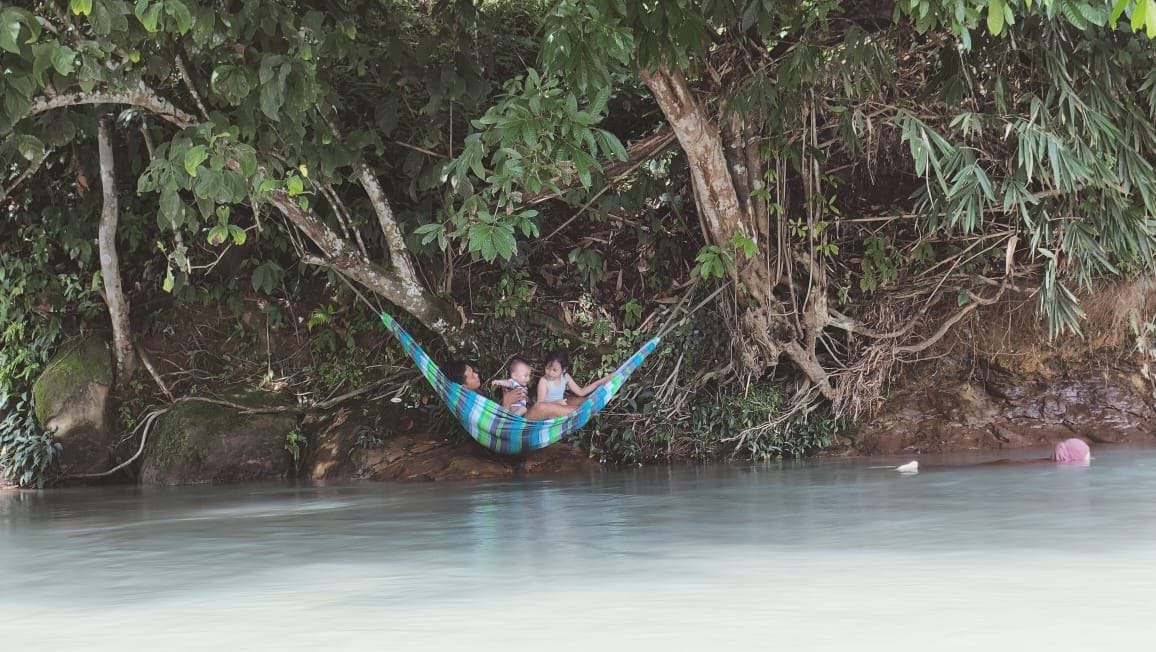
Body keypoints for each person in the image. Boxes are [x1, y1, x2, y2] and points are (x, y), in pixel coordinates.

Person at [535, 348, 612, 412]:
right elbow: (540, 406)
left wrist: (600, 382)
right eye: (547, 368)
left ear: (564, 369)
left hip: (561, 405)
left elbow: (581, 392)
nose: (550, 373)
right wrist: (556, 403)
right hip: (550, 410)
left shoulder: (565, 377)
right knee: (576, 410)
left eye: (554, 370)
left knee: (588, 402)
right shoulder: (544, 381)